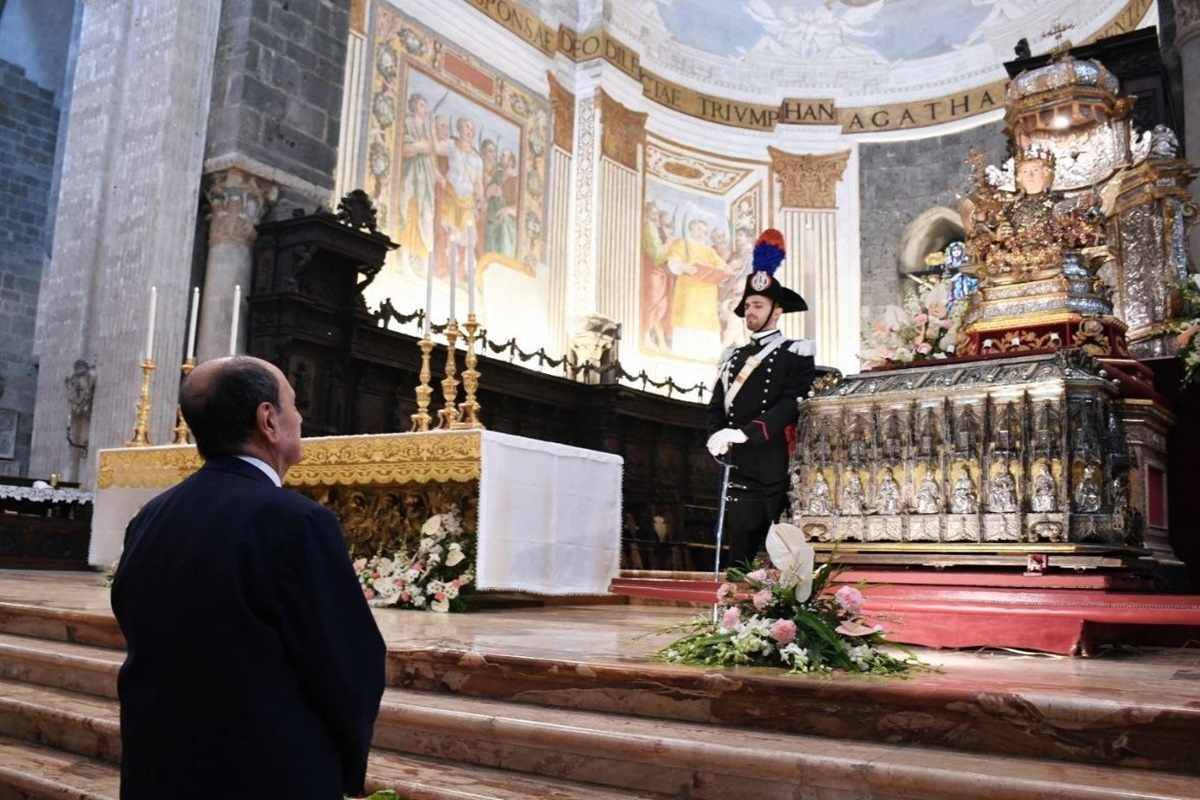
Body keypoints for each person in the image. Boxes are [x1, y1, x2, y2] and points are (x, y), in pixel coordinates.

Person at [111, 356, 386, 800]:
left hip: (159, 768)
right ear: (268, 419)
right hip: (265, 773)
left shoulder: (151, 516)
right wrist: (344, 769)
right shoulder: (296, 521)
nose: (301, 417)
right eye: (294, 404)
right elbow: (349, 663)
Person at [706, 229, 816, 568]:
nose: (749, 312)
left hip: (773, 465)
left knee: (781, 559)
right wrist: (715, 434)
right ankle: (734, 619)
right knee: (737, 556)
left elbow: (790, 404)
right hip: (738, 465)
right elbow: (717, 403)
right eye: (748, 306)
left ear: (777, 311)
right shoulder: (732, 355)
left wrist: (745, 432)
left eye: (757, 305)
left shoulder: (794, 353)